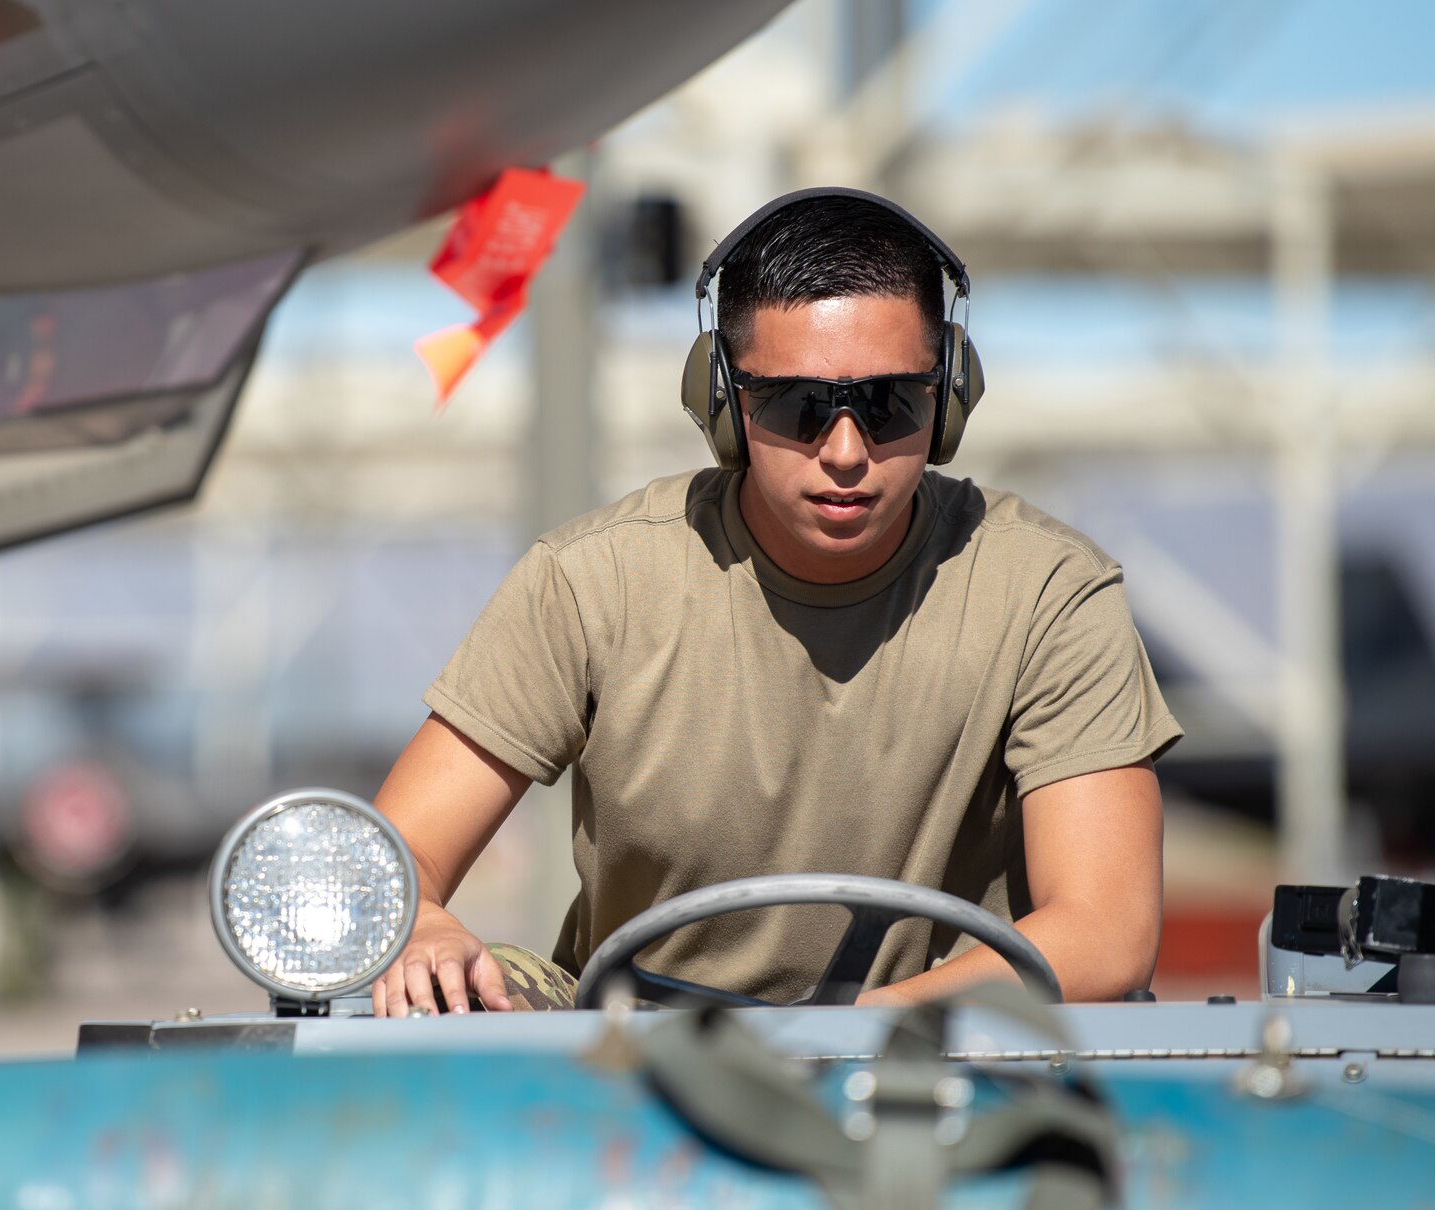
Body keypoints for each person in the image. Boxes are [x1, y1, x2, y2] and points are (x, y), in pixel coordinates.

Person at [370, 188, 1180, 1016]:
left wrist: (856, 1041)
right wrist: (423, 929)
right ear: (723, 402)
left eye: (890, 404)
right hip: (638, 1063)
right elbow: (393, 867)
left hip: (939, 1063)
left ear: (950, 397)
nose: (845, 452)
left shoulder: (1048, 593)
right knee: (460, 1001)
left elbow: (1104, 931)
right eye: (799, 408)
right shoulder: (593, 584)